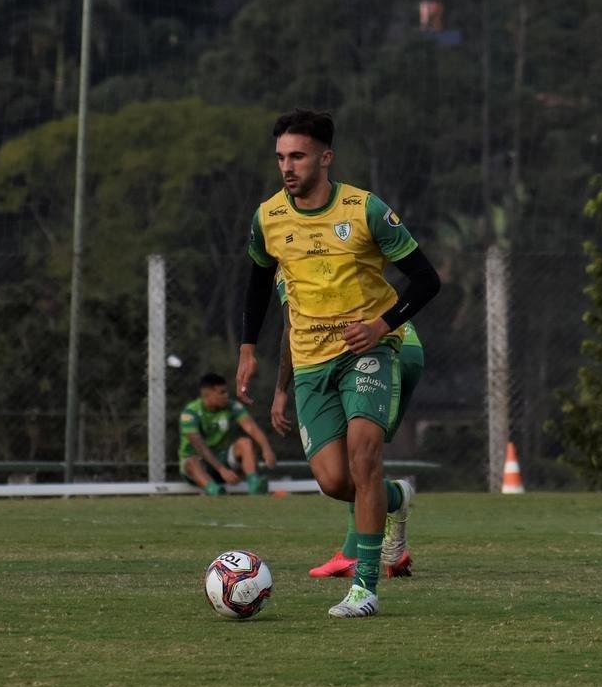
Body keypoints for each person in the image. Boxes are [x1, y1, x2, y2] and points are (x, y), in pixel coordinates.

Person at [236, 109, 440, 617]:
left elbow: (427, 279)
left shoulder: (365, 210)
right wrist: (247, 350)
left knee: (364, 457)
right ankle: (396, 498)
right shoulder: (268, 217)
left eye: (298, 156)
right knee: (334, 481)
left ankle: (364, 588)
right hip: (310, 365)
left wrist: (382, 325)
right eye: (282, 156)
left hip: (366, 353)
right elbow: (259, 282)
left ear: (325, 158)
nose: (288, 166)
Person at [271, 273, 422, 578]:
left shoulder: (289, 261)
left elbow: (291, 328)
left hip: (375, 350)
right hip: (396, 345)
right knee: (355, 461)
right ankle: (385, 526)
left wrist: (280, 389)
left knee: (358, 460)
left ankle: (357, 551)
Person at [179, 372, 276, 495]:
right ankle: (214, 490)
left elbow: (251, 427)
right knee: (191, 461)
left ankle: (255, 484)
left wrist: (266, 449)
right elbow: (200, 446)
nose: (226, 396)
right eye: (222, 392)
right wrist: (221, 470)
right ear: (207, 394)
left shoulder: (231, 407)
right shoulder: (190, 412)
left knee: (245, 443)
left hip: (222, 460)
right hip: (201, 466)